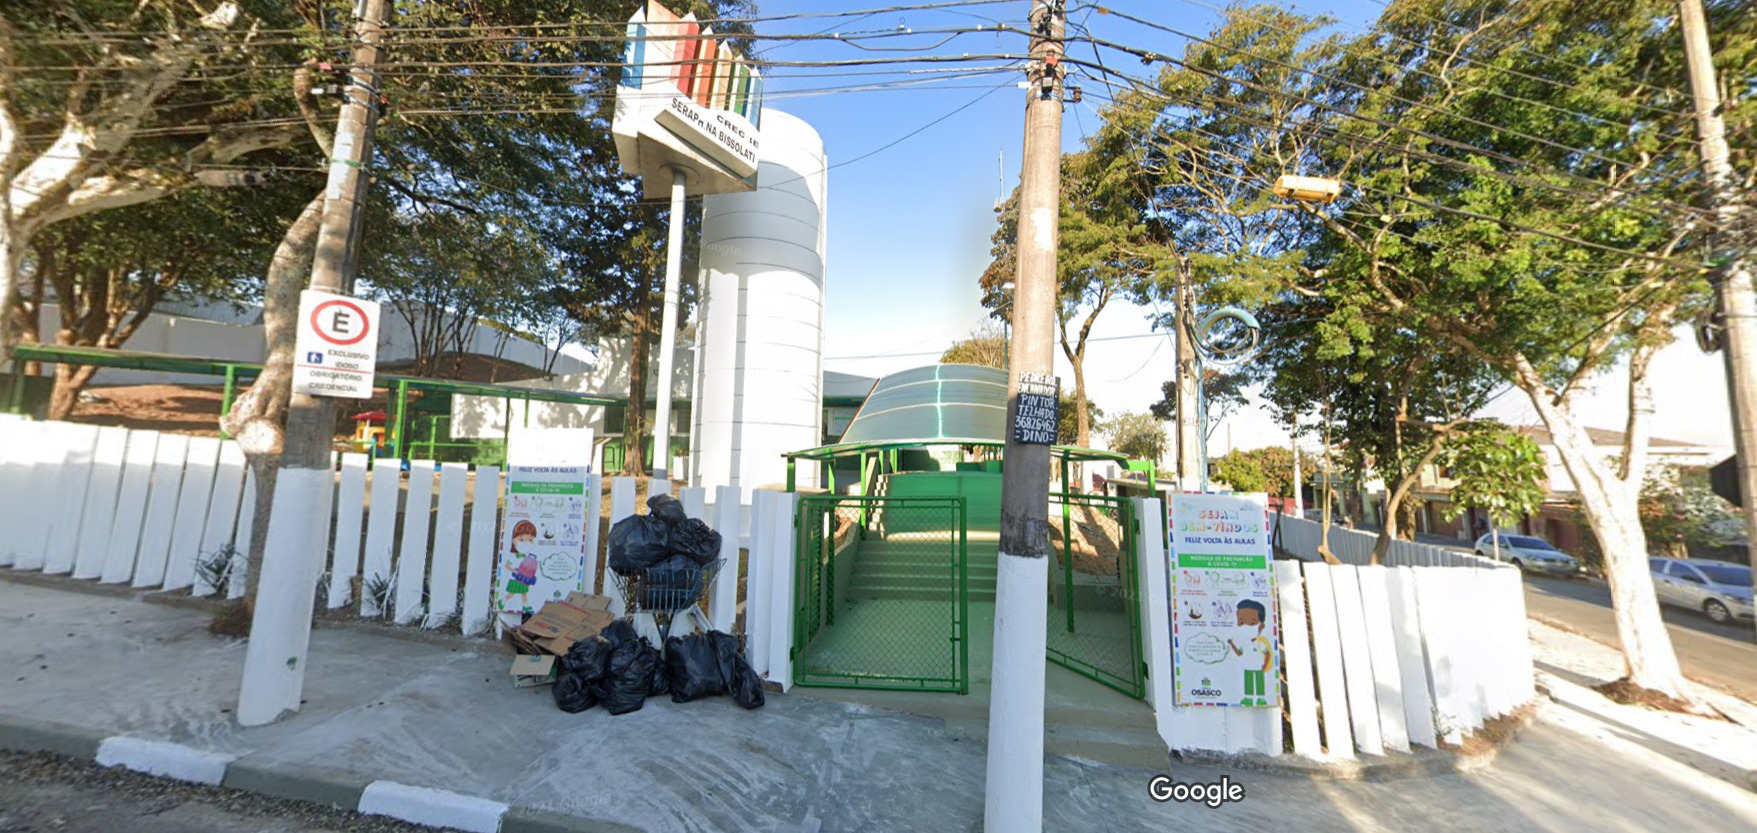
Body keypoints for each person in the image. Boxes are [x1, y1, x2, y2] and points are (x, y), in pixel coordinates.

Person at [1226, 598, 1273, 707]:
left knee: (1259, 683)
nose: (1246, 626)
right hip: (1247, 667)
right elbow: (1239, 653)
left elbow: (1267, 654)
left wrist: (1265, 665)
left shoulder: (1259, 642)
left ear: (1261, 625)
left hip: (1259, 668)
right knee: (1248, 683)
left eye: (1252, 622)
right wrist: (1232, 644)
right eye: (1241, 622)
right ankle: (1248, 698)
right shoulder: (1244, 643)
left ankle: (1261, 698)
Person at [503, 520, 540, 611]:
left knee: (524, 593)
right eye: (522, 539)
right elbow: (507, 565)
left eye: (530, 540)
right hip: (516, 579)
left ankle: (525, 606)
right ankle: (502, 602)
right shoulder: (514, 556)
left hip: (524, 579)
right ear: (514, 540)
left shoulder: (528, 557)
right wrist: (513, 570)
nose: (526, 543)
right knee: (511, 593)